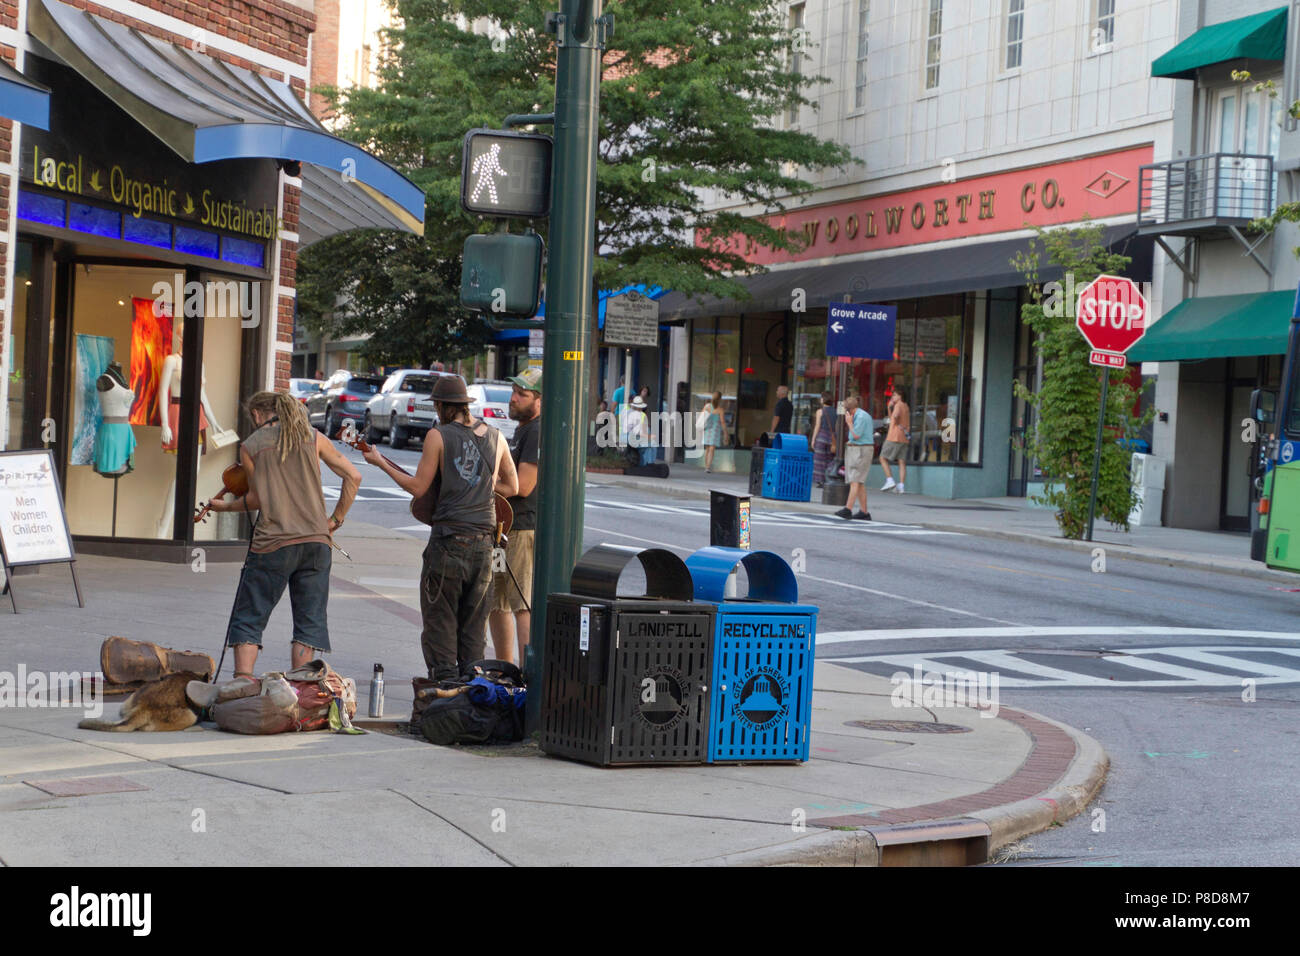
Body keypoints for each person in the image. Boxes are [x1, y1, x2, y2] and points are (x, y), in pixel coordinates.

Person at [362, 375, 518, 680]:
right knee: (474, 628)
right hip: (485, 546)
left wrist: (380, 462)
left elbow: (419, 488)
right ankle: (472, 696)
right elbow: (511, 485)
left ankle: (445, 695)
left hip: (449, 543)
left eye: (436, 405)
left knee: (441, 623)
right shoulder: (497, 437)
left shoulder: (438, 436)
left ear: (444, 406)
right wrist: (480, 487)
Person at [205, 391, 361, 676]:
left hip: (272, 545)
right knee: (308, 623)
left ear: (256, 415)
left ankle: (243, 684)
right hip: (316, 543)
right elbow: (354, 475)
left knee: (250, 616)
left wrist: (223, 508)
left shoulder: (252, 445)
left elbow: (256, 500)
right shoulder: (313, 437)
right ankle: (302, 690)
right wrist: (334, 520)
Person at [489, 367, 541, 666]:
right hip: (502, 533)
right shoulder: (523, 429)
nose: (514, 398)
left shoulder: (536, 431)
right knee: (497, 600)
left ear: (539, 401)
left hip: (521, 531)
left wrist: (485, 485)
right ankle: (504, 667)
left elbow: (523, 485)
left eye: (523, 394)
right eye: (514, 392)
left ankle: (525, 674)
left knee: (521, 603)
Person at [837, 395, 872, 521]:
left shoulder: (861, 417)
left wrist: (850, 424)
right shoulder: (860, 415)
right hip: (857, 449)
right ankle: (864, 512)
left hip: (861, 450)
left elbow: (856, 435)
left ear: (849, 410)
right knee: (859, 482)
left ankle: (848, 509)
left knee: (855, 481)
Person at [880, 389, 910, 494]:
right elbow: (892, 417)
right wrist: (889, 408)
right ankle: (901, 485)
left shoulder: (898, 405)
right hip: (904, 437)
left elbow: (895, 417)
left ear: (900, 396)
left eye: (895, 395)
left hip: (894, 436)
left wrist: (896, 421)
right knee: (901, 461)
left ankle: (890, 480)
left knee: (882, 458)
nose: (893, 397)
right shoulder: (905, 406)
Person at [811, 391, 837, 487]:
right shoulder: (836, 411)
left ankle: (820, 480)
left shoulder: (820, 411)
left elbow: (817, 426)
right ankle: (828, 478)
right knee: (829, 459)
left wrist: (813, 439)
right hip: (832, 437)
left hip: (822, 436)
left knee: (819, 459)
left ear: (823, 399)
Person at [700, 390, 723, 472]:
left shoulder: (707, 406)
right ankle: (707, 467)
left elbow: (701, 416)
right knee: (710, 449)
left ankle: (707, 467)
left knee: (709, 449)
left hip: (708, 429)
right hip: (714, 430)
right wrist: (726, 433)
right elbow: (723, 422)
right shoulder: (720, 409)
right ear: (720, 399)